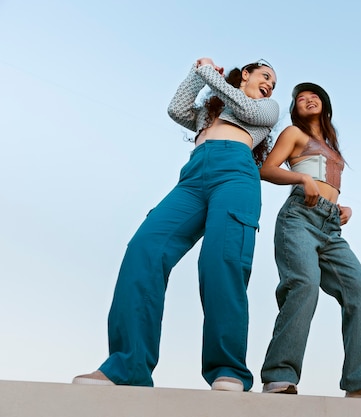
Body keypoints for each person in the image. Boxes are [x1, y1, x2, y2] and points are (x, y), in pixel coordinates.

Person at [72, 57, 279, 392]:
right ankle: (128, 366)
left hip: (236, 176)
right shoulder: (209, 112)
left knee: (220, 260)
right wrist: (196, 73)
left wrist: (210, 75)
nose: (269, 84)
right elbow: (177, 108)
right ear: (245, 75)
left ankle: (228, 369)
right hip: (193, 179)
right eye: (265, 76)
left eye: (273, 81)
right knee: (145, 249)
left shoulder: (267, 108)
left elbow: (248, 110)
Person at [259, 83, 361, 399]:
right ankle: (279, 375)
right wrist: (302, 178)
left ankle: (360, 381)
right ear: (295, 109)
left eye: (313, 95)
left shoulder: (332, 149)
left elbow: (329, 185)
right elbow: (267, 169)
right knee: (303, 285)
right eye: (301, 98)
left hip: (331, 226)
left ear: (325, 104)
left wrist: (341, 206)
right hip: (299, 218)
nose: (307, 99)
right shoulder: (293, 134)